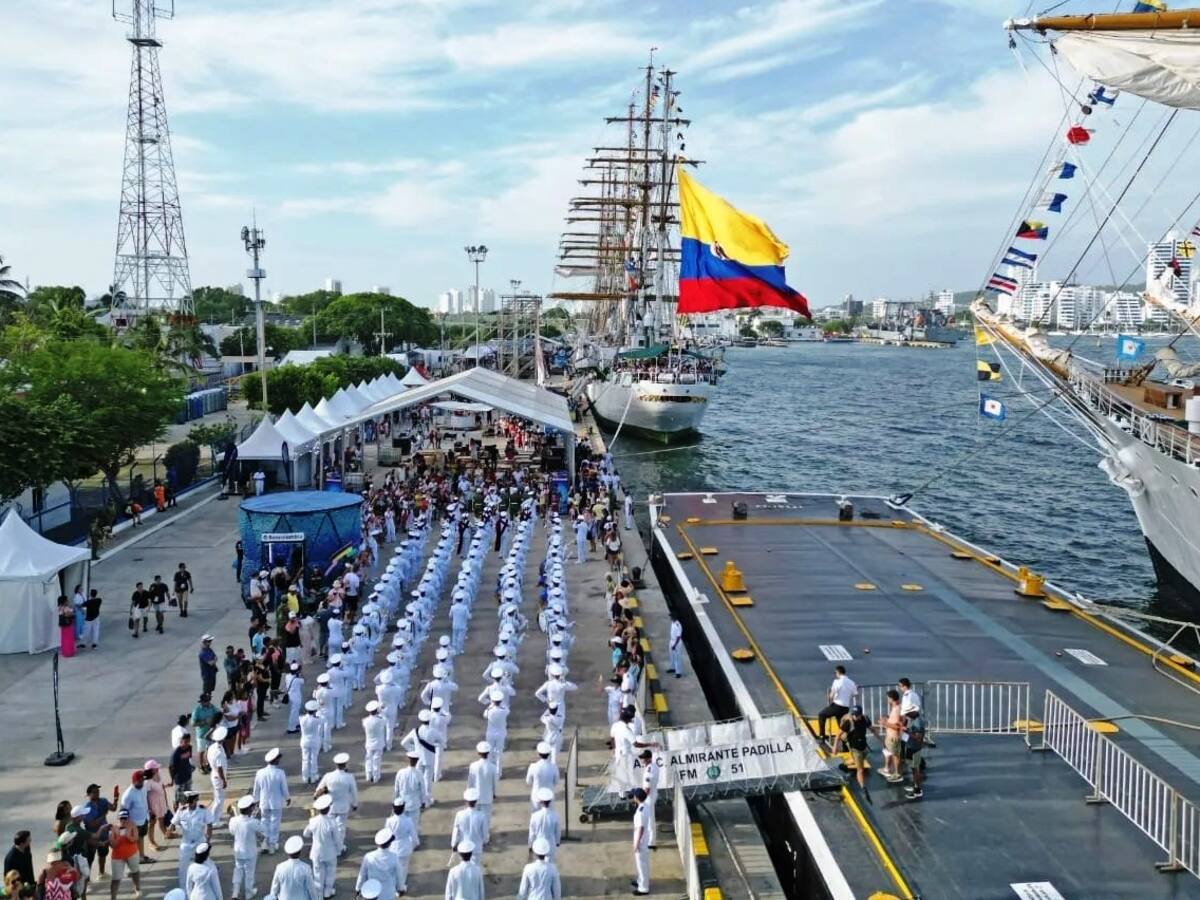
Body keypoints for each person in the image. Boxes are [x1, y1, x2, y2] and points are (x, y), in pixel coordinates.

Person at [314, 753, 357, 855]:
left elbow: (319, 789)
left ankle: (331, 846)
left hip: (330, 806)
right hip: (343, 806)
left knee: (330, 827)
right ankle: (339, 848)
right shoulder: (349, 777)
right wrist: (355, 804)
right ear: (345, 764)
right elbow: (354, 792)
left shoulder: (328, 776)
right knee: (341, 828)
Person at [252, 748, 291, 853]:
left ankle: (265, 842)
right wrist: (287, 798)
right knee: (275, 823)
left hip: (263, 802)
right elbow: (284, 788)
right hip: (276, 802)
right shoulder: (280, 773)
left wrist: (255, 799)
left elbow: (256, 788)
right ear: (275, 760)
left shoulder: (260, 772)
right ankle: (272, 844)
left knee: (264, 822)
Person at [172, 791, 213, 890]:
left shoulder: (203, 810)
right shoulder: (181, 811)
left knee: (205, 865)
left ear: (196, 800)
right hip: (186, 843)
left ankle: (207, 887)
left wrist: (207, 840)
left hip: (199, 841)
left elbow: (209, 825)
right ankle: (184, 891)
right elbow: (173, 824)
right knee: (183, 868)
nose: (188, 804)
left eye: (191, 802)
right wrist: (171, 828)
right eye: (187, 802)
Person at [228, 797, 263, 900]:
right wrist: (255, 818)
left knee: (238, 870)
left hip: (238, 851)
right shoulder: (253, 822)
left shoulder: (233, 820)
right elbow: (263, 830)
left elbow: (232, 832)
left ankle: (235, 893)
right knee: (249, 873)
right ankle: (248, 894)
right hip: (250, 852)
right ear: (249, 809)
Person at [303, 796, 338, 900]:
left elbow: (305, 834)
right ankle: (328, 891)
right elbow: (337, 839)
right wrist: (339, 848)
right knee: (330, 872)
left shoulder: (313, 821)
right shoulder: (332, 822)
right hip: (330, 852)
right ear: (328, 809)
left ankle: (319, 895)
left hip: (316, 852)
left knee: (318, 873)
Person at [817, 665, 857, 747]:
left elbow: (831, 696)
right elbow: (856, 694)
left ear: (838, 672)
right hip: (845, 708)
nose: (835, 675)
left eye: (835, 673)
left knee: (821, 715)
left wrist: (828, 695)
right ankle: (845, 746)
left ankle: (822, 737)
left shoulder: (837, 681)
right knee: (842, 728)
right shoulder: (852, 683)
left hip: (837, 706)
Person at [836, 706, 872, 797]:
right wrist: (835, 747)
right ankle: (863, 787)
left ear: (861, 714)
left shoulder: (865, 719)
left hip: (863, 747)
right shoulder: (849, 722)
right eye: (854, 715)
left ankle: (844, 765)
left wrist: (881, 740)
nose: (855, 717)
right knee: (860, 769)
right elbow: (838, 735)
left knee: (857, 760)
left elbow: (871, 728)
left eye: (857, 715)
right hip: (855, 748)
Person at [356, 831, 401, 900]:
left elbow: (362, 874)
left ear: (377, 844)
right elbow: (399, 875)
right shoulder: (394, 857)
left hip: (372, 892)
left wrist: (358, 888)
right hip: (388, 892)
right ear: (389, 844)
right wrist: (400, 887)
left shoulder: (369, 856)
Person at [118, 771, 151, 864]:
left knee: (141, 838)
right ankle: (133, 861)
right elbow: (123, 810)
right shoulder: (128, 794)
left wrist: (150, 811)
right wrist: (123, 826)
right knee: (133, 842)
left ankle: (141, 856)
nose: (142, 782)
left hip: (144, 818)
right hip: (134, 823)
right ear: (134, 781)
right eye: (139, 781)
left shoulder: (143, 787)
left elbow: (145, 800)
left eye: (142, 780)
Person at [106, 812, 140, 900]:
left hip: (132, 853)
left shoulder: (132, 825)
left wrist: (128, 835)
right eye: (121, 818)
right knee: (116, 879)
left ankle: (137, 888)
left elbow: (135, 839)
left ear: (128, 818)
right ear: (119, 819)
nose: (123, 821)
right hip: (117, 857)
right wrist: (118, 836)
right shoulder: (113, 829)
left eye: (125, 818)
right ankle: (113, 898)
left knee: (135, 872)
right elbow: (113, 845)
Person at [526, 787, 559, 863]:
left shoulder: (534, 816)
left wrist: (530, 845)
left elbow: (532, 833)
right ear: (550, 801)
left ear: (540, 801)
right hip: (551, 844)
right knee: (550, 865)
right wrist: (557, 842)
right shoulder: (555, 815)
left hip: (538, 844)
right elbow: (557, 832)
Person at [878, 690, 904, 783]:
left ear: (891, 699)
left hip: (893, 737)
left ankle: (897, 774)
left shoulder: (897, 710)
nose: (887, 700)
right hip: (890, 736)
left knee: (895, 755)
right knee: (888, 752)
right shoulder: (897, 707)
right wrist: (887, 718)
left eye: (888, 698)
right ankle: (887, 769)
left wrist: (885, 723)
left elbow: (898, 727)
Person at [206, 727, 229, 827]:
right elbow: (219, 768)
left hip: (214, 774)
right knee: (219, 800)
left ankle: (215, 817)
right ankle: (214, 820)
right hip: (218, 777)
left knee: (218, 798)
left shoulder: (212, 747)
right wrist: (224, 780)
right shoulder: (219, 751)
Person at [903, 708, 927, 801]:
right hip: (910, 747)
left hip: (915, 748)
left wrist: (907, 731)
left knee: (915, 769)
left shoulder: (918, 722)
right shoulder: (912, 719)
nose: (907, 714)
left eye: (908, 712)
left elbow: (919, 737)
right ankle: (915, 785)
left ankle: (917, 790)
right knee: (913, 769)